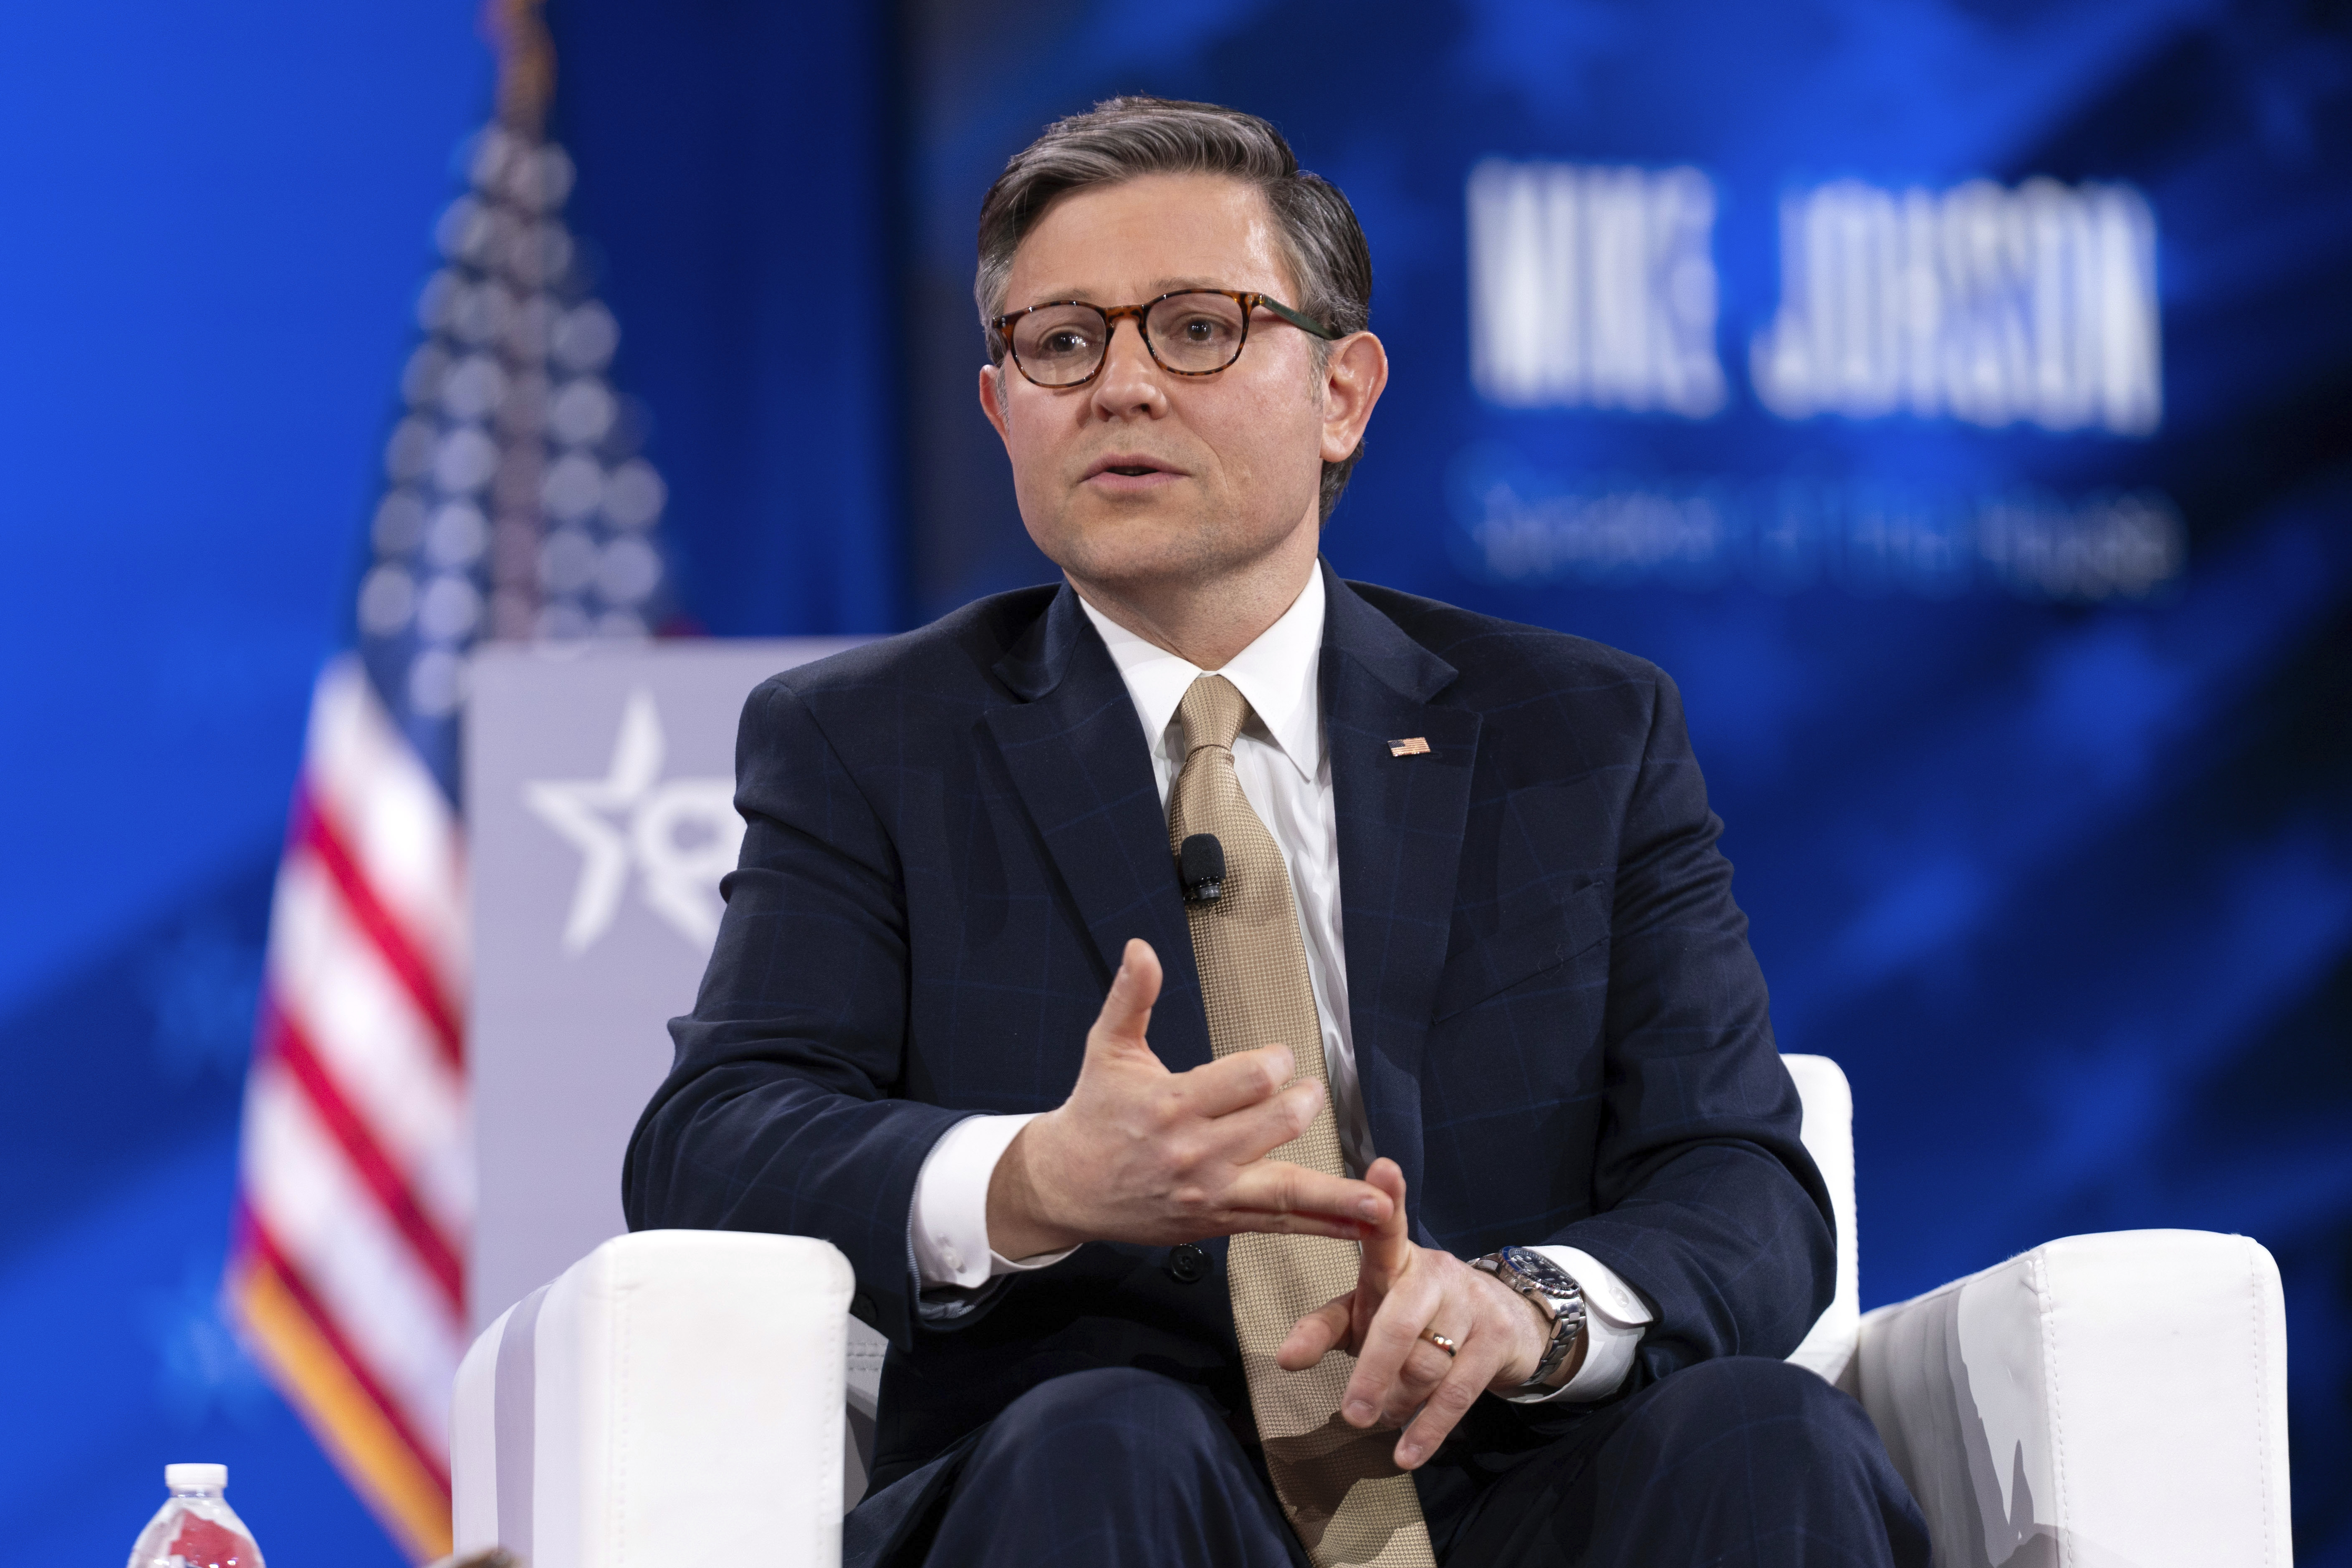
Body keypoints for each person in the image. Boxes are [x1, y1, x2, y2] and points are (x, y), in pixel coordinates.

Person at [624, 97, 1927, 1568]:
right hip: (1107, 1481)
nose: (1119, 385)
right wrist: (1035, 1179)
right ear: (1001, 410)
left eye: (1195, 326)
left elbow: (1740, 1180)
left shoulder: (1576, 732)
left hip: (1514, 1479)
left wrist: (1528, 1306)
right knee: (1104, 1438)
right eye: (1061, 342)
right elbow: (713, 1142)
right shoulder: (868, 741)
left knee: (1764, 1431)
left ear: (1342, 394)